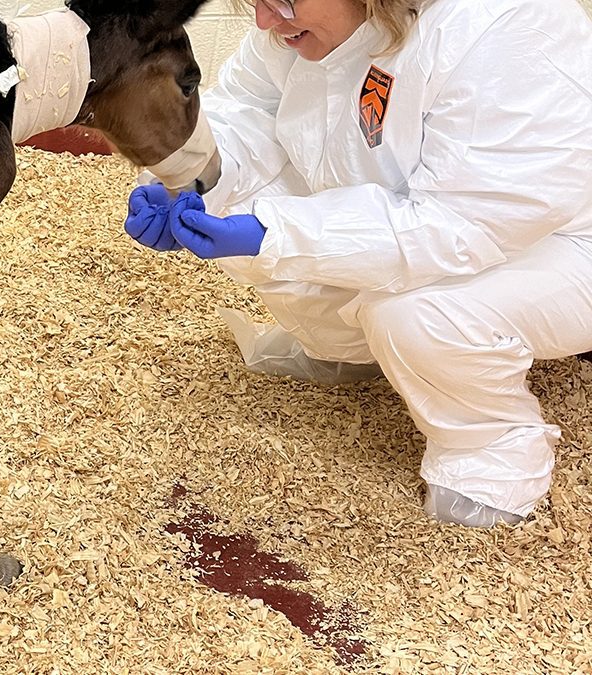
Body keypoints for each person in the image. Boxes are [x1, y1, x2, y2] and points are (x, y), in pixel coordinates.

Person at [126, 0, 592, 527]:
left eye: (283, 1)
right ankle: (352, 350)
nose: (264, 21)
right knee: (233, 202)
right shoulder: (298, 27)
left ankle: (492, 448)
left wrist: (274, 231)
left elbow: (463, 223)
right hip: (436, 216)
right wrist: (194, 179)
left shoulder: (505, 28)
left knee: (414, 312)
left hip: (559, 245)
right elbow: (249, 110)